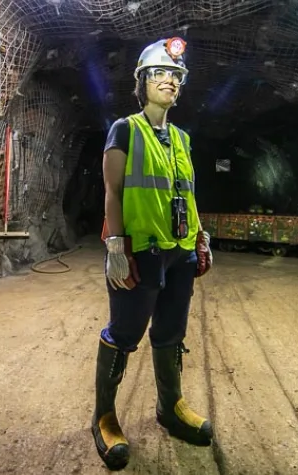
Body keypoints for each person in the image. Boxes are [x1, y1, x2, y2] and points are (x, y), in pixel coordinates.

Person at [91, 37, 214, 470]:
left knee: (170, 333)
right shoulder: (125, 129)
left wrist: (200, 237)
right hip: (140, 250)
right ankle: (103, 416)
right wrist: (115, 246)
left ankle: (169, 405)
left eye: (176, 76)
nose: (170, 82)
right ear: (141, 82)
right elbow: (113, 192)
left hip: (178, 252)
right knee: (125, 333)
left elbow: (188, 192)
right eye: (160, 73)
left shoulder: (181, 138)